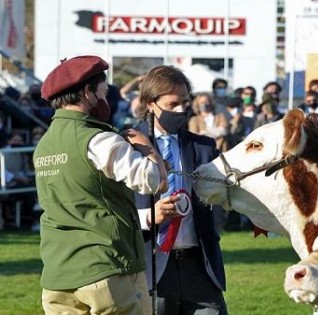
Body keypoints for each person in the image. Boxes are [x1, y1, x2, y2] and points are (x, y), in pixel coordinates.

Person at [33, 55, 167, 315]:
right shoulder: (99, 140)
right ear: (87, 92)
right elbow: (156, 182)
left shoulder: (43, 145)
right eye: (104, 92)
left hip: (57, 276)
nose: (107, 100)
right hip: (108, 269)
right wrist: (147, 148)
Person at [135, 65, 228, 315]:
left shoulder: (205, 148)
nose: (181, 110)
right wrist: (148, 217)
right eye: (173, 103)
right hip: (151, 265)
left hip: (199, 265)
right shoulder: (127, 146)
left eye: (186, 102)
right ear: (151, 103)